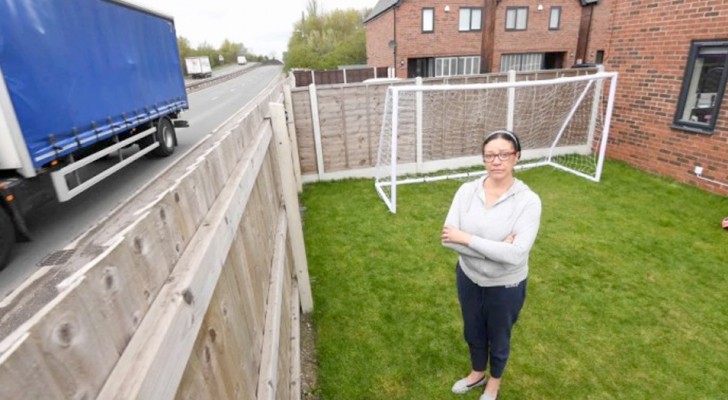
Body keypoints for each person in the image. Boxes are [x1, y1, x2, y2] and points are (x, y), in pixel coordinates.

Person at [441, 130, 542, 400]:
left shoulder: (528, 201)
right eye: (489, 155)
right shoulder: (466, 191)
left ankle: (493, 384)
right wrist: (498, 249)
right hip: (469, 278)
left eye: (503, 154)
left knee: (499, 336)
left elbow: (516, 256)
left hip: (505, 286)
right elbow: (449, 239)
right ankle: (476, 374)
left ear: (516, 156)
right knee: (472, 330)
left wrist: (468, 239)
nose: (496, 161)